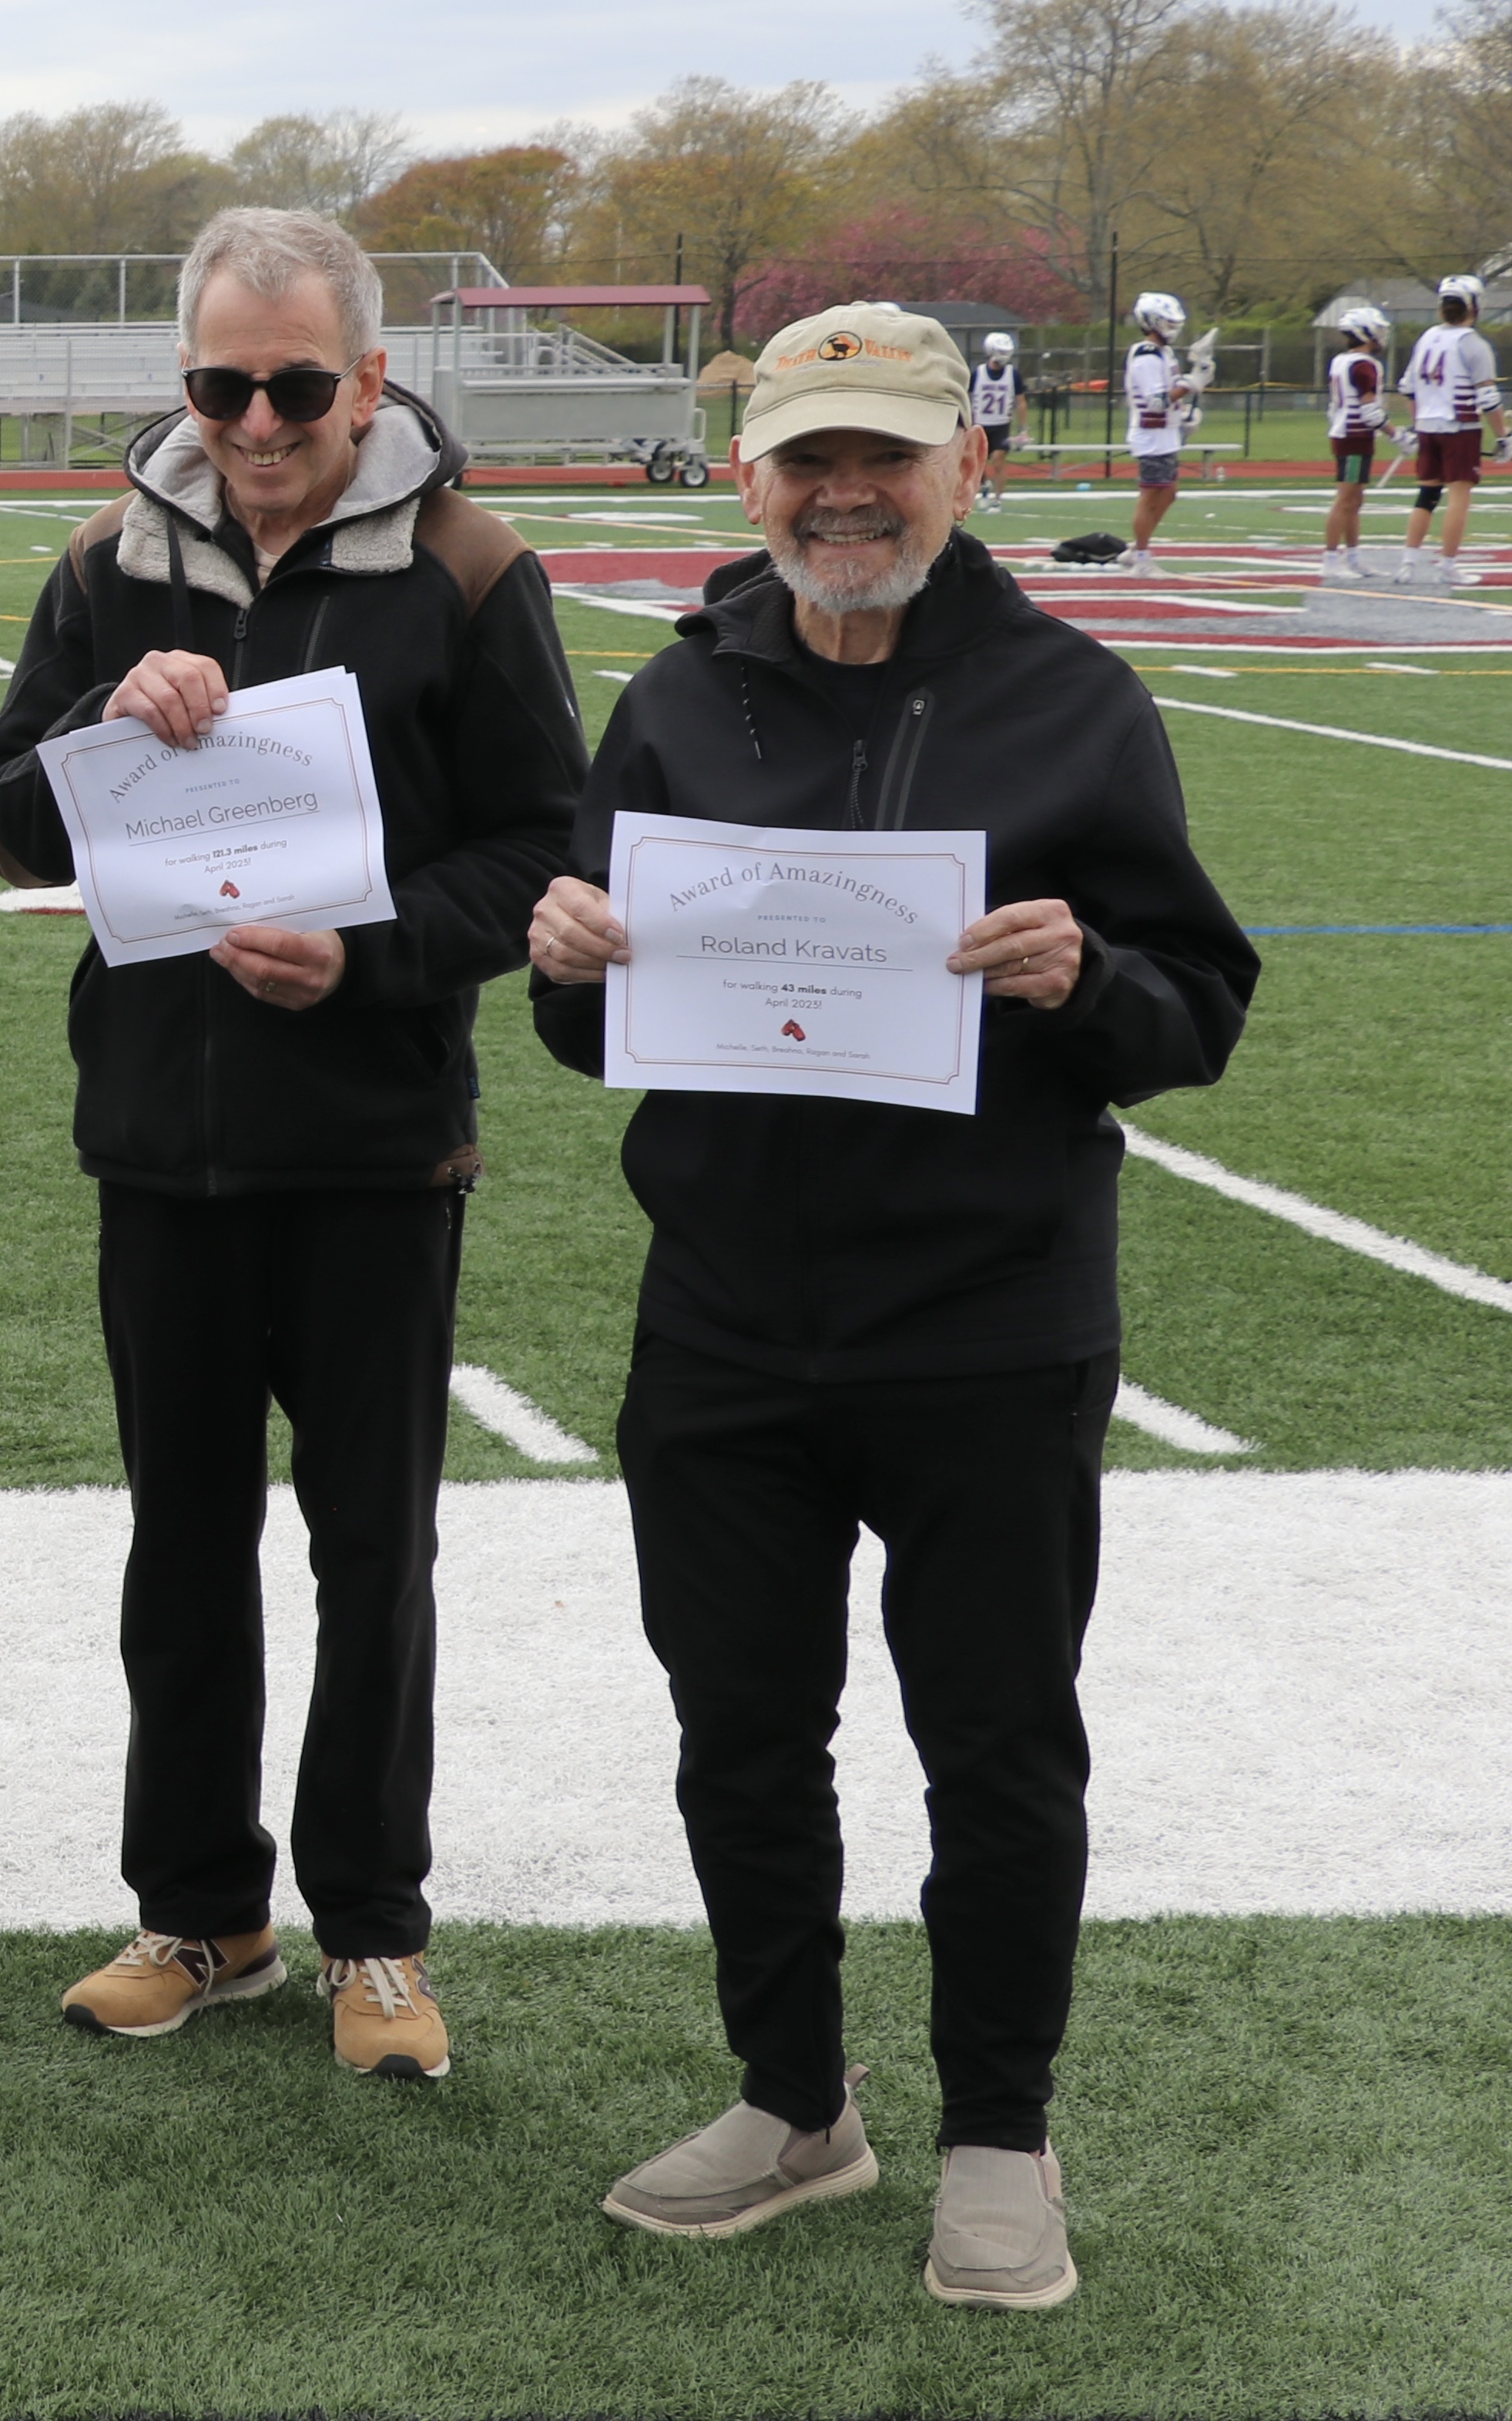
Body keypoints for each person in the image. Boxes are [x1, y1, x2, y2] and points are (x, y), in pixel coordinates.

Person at [529, 303, 1256, 2312]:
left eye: (888, 455)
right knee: (741, 1732)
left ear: (968, 466)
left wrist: (1081, 982)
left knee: (999, 1743)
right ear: (753, 474)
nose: (845, 494)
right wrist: (570, 956)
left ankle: (1003, 2139)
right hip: (729, 1319)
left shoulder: (1075, 703)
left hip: (986, 1322)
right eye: (807, 457)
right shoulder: (679, 702)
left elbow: (1193, 1014)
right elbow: (592, 1033)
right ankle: (795, 2100)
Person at [0, 206, 586, 2084]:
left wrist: (370, 956)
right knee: (182, 1546)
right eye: (220, 385)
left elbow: (541, 847)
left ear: (370, 379)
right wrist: (99, 719)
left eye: (294, 385)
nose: (254, 418)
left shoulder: (471, 570)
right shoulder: (106, 561)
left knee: (370, 1549)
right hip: (161, 1139)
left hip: (378, 1145)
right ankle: (199, 1910)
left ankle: (374, 1932)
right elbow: (4, 825)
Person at [1396, 274, 1496, 583]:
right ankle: (1448, 565)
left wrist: (1417, 424)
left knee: (1427, 494)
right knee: (1459, 496)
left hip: (1428, 426)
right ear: (1474, 307)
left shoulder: (1426, 337)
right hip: (1460, 427)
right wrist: (1504, 436)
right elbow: (1488, 398)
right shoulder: (1473, 344)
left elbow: (1408, 388)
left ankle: (1408, 562)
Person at [1316, 308, 1392, 579]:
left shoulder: (1341, 361)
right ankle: (1331, 558)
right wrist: (1396, 434)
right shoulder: (1364, 365)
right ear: (1366, 333)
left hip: (1347, 433)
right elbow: (1369, 411)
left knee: (1355, 499)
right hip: (1354, 435)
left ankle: (1353, 556)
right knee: (1346, 499)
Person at [1117, 292, 1187, 576]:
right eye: (1166, 323)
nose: (1171, 329)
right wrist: (1191, 385)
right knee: (1151, 495)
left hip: (1164, 434)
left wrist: (1185, 413)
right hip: (1151, 434)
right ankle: (1142, 557)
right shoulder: (1147, 355)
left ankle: (1137, 549)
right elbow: (1156, 401)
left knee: (1168, 494)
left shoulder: (1163, 353)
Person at [964, 330, 1017, 505]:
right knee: (977, 463)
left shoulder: (1013, 375)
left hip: (1001, 425)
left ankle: (998, 499)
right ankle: (985, 484)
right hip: (981, 424)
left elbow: (1022, 401)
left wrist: (1024, 428)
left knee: (999, 459)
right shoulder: (978, 373)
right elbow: (967, 397)